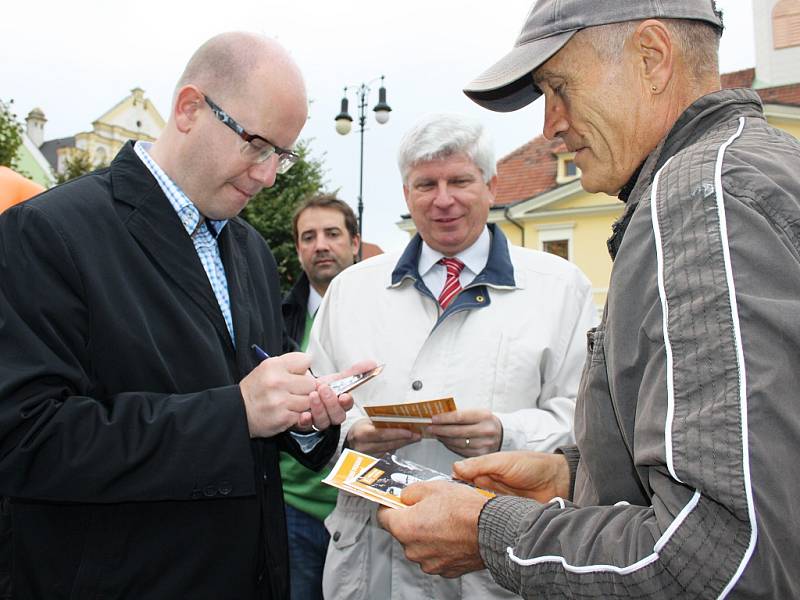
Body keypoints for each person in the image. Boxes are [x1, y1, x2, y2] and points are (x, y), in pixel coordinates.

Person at [377, 1, 800, 597]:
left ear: (651, 59)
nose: (551, 124)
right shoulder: (740, 173)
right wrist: (573, 475)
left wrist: (489, 531)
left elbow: (719, 559)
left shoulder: (702, 200)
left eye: (559, 88)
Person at [0, 32, 371, 600]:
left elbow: (253, 405)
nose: (269, 175)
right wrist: (235, 414)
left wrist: (303, 418)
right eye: (256, 144)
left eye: (283, 155)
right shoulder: (47, 231)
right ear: (190, 109)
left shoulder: (247, 249)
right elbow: (27, 441)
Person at [308, 112, 597, 599]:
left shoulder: (560, 288)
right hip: (372, 561)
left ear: (491, 186)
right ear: (405, 194)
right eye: (426, 184)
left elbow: (587, 424)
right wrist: (351, 432)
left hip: (490, 565)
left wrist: (507, 433)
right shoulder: (351, 290)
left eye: (460, 180)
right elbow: (314, 409)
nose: (443, 200)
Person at [280, 195, 360, 599]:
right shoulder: (277, 318)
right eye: (308, 237)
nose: (320, 245)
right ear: (298, 249)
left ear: (355, 242)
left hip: (366, 508)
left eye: (332, 233)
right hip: (297, 509)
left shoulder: (379, 312)